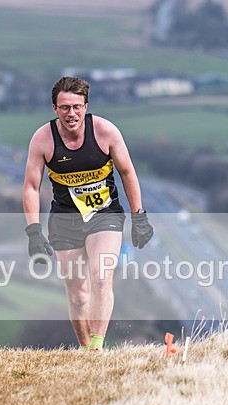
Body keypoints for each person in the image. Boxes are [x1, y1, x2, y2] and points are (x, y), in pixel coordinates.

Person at [23, 76, 154, 351]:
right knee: (79, 295)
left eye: (77, 107)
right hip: (64, 219)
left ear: (86, 107)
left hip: (104, 214)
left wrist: (139, 216)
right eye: (65, 107)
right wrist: (34, 231)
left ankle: (96, 347)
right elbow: (31, 187)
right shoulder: (43, 139)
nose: (71, 114)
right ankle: (85, 350)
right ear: (55, 109)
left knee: (102, 277)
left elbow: (127, 172)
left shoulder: (106, 132)